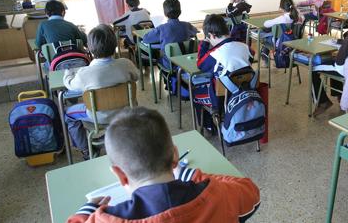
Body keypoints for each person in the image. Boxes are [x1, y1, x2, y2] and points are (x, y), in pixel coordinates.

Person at [67, 107, 260, 223]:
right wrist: (193, 175)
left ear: (120, 175)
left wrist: (85, 211)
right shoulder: (216, 194)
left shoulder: (104, 218)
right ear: (175, 155)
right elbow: (250, 191)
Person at [63, 24, 139, 159]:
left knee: (68, 114)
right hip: (126, 111)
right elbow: (136, 76)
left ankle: (86, 149)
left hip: (98, 117)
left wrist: (68, 73)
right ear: (115, 44)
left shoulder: (84, 73)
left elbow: (71, 85)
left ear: (90, 48)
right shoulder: (126, 64)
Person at [194, 15, 252, 122]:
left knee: (195, 93)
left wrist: (205, 43)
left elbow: (200, 64)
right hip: (246, 93)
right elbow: (251, 57)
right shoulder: (244, 46)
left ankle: (212, 127)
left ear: (212, 36)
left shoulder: (215, 54)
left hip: (222, 98)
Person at [142, 0, 197, 69]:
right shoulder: (187, 25)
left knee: (157, 56)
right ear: (180, 11)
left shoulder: (162, 28)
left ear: (165, 13)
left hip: (169, 65)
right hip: (186, 63)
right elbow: (195, 32)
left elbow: (146, 39)